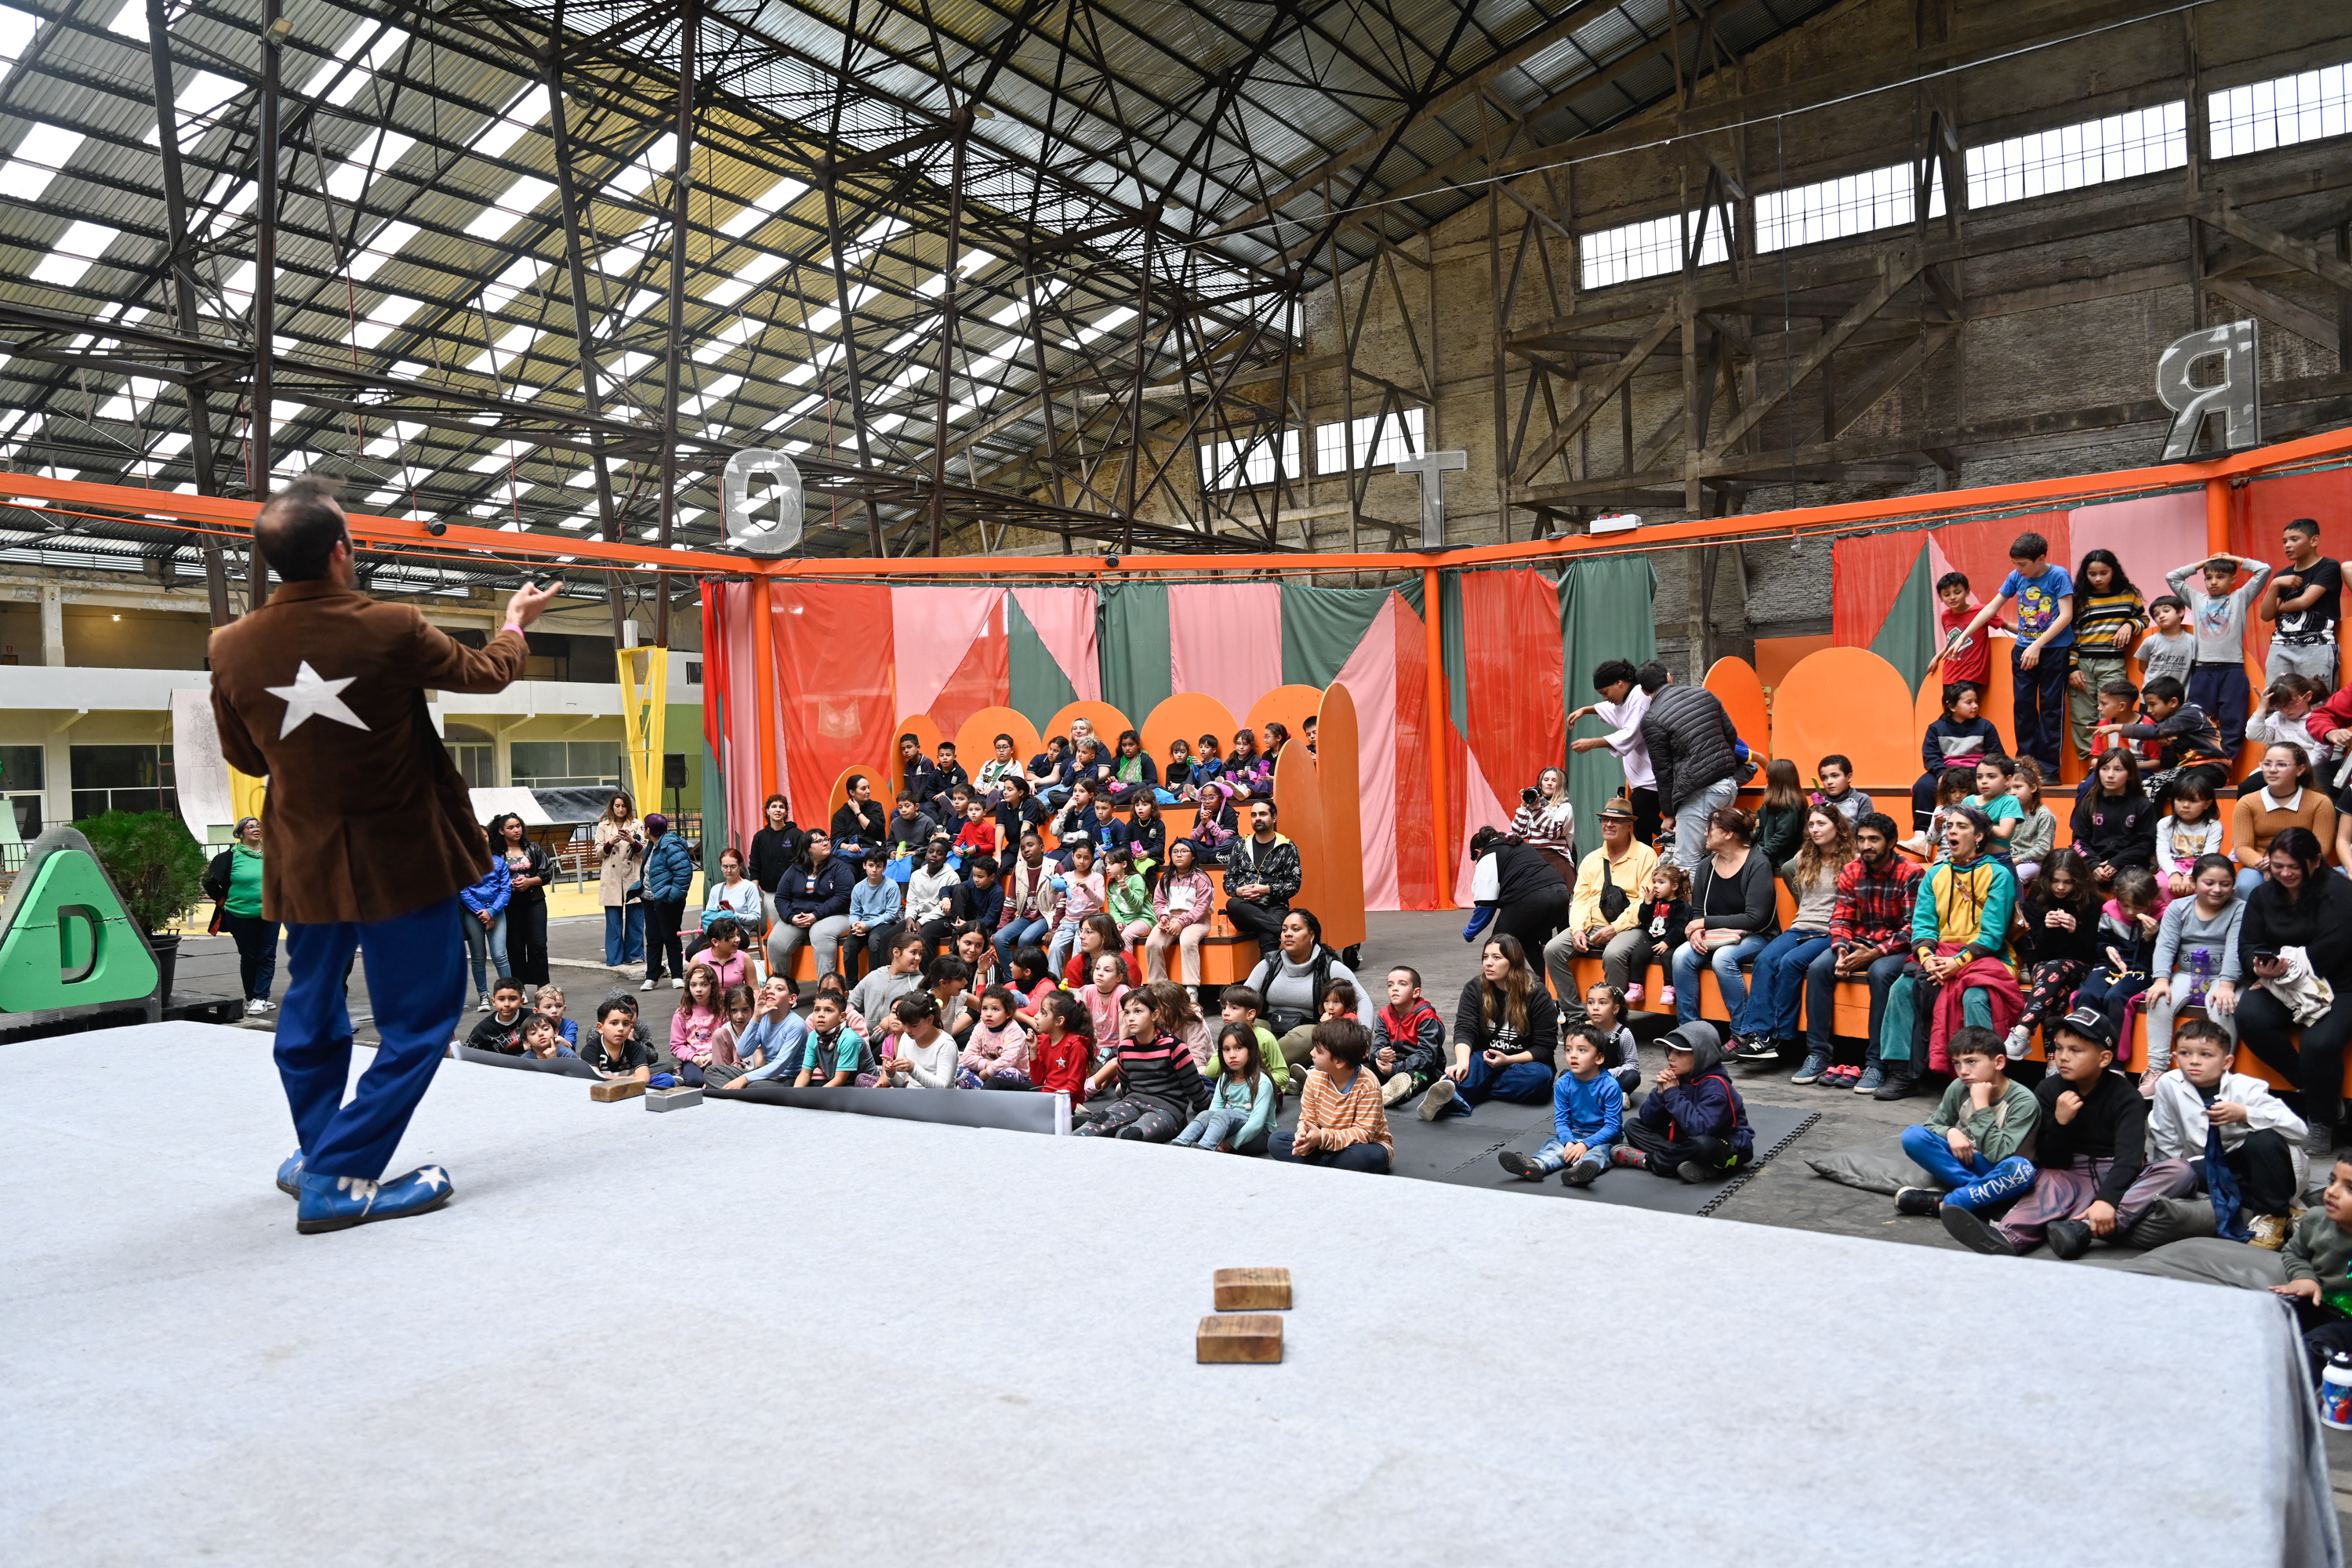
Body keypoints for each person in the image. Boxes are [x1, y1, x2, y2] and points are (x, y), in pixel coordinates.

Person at [1939, 1007, 2195, 1258]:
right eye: (2059, 1048)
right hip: (2071, 1172)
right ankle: (2007, 1237)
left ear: (2104, 1059)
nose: (2063, 1057)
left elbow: (2129, 1159)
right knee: (2048, 1181)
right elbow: (2052, 1159)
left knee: (2180, 1171)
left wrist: (2106, 1201)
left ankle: (2081, 1229)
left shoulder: (2127, 1097)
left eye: (2075, 1050)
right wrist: (2061, 1123)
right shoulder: (2049, 1090)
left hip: (2118, 1172)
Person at [1875, 806, 2018, 1101]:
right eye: (1949, 826)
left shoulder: (1999, 874)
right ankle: (1901, 1073)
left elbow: (1992, 936)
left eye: (1961, 826)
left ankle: (1983, 1080)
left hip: (1985, 958)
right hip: (1938, 956)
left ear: (1979, 835)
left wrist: (1956, 963)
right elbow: (1923, 925)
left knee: (1975, 996)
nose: (1951, 831)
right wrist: (1929, 960)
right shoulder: (1936, 873)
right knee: (1902, 989)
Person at [2234, 826, 2352, 1158]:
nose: (2285, 873)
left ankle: (2322, 1120)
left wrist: (2287, 968)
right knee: (2250, 1015)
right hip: (2282, 983)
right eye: (2277, 865)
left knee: (2320, 1041)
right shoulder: (2262, 895)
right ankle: (2315, 1089)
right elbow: (2249, 945)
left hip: (2339, 983)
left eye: (2294, 867)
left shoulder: (2339, 891)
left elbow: (2335, 947)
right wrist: (2258, 969)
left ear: (2315, 862)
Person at [2149, 1018, 2305, 1249]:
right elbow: (2164, 1135)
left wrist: (2245, 1114)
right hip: (2213, 1166)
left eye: (2206, 1055)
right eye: (2185, 1053)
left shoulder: (2248, 1087)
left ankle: (2272, 1216)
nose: (2194, 1061)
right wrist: (2167, 1181)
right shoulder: (2168, 1084)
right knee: (2185, 1170)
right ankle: (2288, 1213)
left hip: (2262, 1165)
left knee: (2263, 1139)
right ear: (2175, 1058)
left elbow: (2300, 1131)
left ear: (2227, 1062)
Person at [1804, 812, 1922, 1091]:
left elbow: (1913, 928)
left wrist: (1875, 953)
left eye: (1874, 840)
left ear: (1891, 841)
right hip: (1858, 942)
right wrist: (1842, 950)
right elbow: (1841, 918)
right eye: (1861, 839)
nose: (1866, 845)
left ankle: (1877, 1064)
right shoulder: (1852, 869)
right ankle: (1818, 1055)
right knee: (1819, 967)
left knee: (1880, 973)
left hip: (1896, 946)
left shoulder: (1912, 873)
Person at [1730, 804, 1851, 1063]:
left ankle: (1781, 1037)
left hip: (1831, 930)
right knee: (1764, 960)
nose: (1815, 829)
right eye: (1811, 825)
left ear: (1837, 827)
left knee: (1790, 962)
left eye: (1822, 824)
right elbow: (1786, 870)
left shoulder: (1851, 860)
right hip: (1801, 925)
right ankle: (1759, 1034)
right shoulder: (1804, 856)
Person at [1952, 530, 2074, 771]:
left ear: (2040, 559)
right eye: (2015, 564)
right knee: (2023, 707)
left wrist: (2038, 645)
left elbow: (2066, 615)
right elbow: (1990, 608)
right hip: (2023, 650)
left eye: (2023, 565)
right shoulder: (2016, 577)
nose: (2018, 569)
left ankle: (2049, 768)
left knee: (2051, 708)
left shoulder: (2058, 575)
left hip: (2053, 650)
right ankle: (2026, 764)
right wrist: (1963, 636)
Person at [1890, 1025, 2040, 1219]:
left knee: (2022, 1169)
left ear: (1999, 1062)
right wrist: (1951, 1132)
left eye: (1971, 1062)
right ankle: (1979, 1198)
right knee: (1913, 1135)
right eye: (1957, 1063)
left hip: (2001, 1170)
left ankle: (1949, 1204)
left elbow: (1998, 1155)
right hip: (1970, 1161)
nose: (1963, 1071)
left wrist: (1981, 1106)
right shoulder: (1959, 1087)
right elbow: (1932, 1126)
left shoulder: (2023, 1101)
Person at [1420, 934, 1557, 1120]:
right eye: (1485, 957)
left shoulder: (1537, 993)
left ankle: (1464, 1091)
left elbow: (1545, 1047)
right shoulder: (1474, 988)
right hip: (1486, 1058)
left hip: (1526, 1063)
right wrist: (1462, 1062)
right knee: (1468, 1067)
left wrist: (1507, 1060)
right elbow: (1464, 1029)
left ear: (1513, 962)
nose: (1488, 963)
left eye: (1496, 957)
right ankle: (1455, 1091)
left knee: (1540, 1080)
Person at [1542, 796, 1659, 1017]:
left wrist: (1614, 929)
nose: (1608, 825)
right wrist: (1577, 928)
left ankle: (1612, 1017)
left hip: (1631, 927)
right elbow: (1580, 899)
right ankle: (1574, 1014)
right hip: (1593, 925)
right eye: (1604, 820)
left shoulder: (1646, 855)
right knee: (1552, 949)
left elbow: (1645, 901)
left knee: (1614, 953)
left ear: (1629, 826)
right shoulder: (1592, 859)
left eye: (1615, 821)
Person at [1669, 807, 1780, 1029]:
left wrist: (1705, 923)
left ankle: (1742, 1031)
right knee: (1681, 956)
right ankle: (1690, 1031)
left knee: (1723, 958)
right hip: (1715, 935)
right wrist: (1698, 931)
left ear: (1728, 834)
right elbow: (1699, 912)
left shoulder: (1757, 864)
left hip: (1757, 935)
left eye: (1710, 829)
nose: (1705, 834)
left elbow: (1755, 918)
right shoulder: (1705, 866)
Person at [1635, 659, 1743, 870]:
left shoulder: (1652, 719)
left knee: (1686, 865)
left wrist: (1668, 814)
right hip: (1727, 786)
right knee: (1717, 858)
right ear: (1669, 677)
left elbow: (1663, 770)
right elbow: (1731, 735)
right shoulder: (1704, 694)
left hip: (1697, 794)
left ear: (1644, 691)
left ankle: (1694, 905)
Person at [1614, 1021, 1753, 1181]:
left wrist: (1673, 1093)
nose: (1671, 1057)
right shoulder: (1681, 1078)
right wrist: (1660, 1093)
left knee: (1703, 1145)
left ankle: (1650, 1161)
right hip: (1688, 1138)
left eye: (1680, 1053)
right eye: (1670, 1050)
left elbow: (1699, 1130)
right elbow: (1649, 1122)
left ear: (1702, 1055)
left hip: (1726, 1147)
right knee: (1633, 1126)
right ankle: (1690, 1162)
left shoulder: (1717, 1087)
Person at [2168, 550, 2272, 752]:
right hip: (2203, 670)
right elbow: (2172, 577)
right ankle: (2202, 762)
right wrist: (2205, 562)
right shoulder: (2197, 600)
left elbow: (2264, 570)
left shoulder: (2240, 597)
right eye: (2209, 578)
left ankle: (2227, 764)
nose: (2213, 582)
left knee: (2233, 719)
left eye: (2220, 577)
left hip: (2232, 669)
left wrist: (2235, 559)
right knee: (2200, 719)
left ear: (2233, 580)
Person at [2002, 848, 2101, 1062]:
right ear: (2047, 878)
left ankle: (2022, 1030)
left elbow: (2092, 953)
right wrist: (2047, 930)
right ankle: (2054, 1064)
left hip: (2080, 966)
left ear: (2078, 880)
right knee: (2056, 992)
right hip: (2046, 969)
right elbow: (2035, 956)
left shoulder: (2091, 903)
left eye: (2068, 882)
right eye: (2055, 881)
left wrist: (2076, 931)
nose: (2061, 887)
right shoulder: (2036, 902)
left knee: (2054, 971)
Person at [1240, 908, 1366, 1072]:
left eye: (1295, 929)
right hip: (1272, 1025)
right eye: (1284, 930)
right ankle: (1271, 1071)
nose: (1288, 934)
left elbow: (1362, 999)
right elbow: (1242, 998)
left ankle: (1246, 1070)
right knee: (1247, 1028)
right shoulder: (1269, 964)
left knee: (1304, 1037)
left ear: (1312, 935)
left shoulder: (1329, 966)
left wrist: (1364, 1038)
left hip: (1310, 1029)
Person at [1075, 991, 1211, 1141]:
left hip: (1167, 1109)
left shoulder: (1174, 1046)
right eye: (1127, 1013)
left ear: (1154, 1015)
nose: (1131, 1018)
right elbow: (1126, 1086)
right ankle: (1097, 1122)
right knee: (1088, 1129)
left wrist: (1207, 1108)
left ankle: (1119, 1128)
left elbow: (1193, 1085)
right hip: (1132, 1103)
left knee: (1129, 1136)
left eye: (1138, 1011)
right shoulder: (1125, 1047)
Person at [1499, 1025, 1622, 1186]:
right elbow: (1562, 1121)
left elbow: (1613, 1127)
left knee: (1601, 1152)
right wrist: (1569, 1142)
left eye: (1582, 1050)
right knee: (1555, 1147)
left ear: (1599, 1058)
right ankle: (1536, 1165)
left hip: (1602, 1138)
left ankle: (1579, 1170)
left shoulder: (1610, 1086)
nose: (1573, 1056)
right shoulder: (1563, 1083)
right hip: (1574, 1133)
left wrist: (1586, 1145)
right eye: (1569, 1050)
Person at [1269, 1018, 1392, 1173]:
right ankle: (1331, 1169)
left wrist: (1322, 1137)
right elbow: (1307, 1118)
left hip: (1360, 1145)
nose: (1311, 1053)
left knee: (1364, 1157)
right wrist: (1304, 1136)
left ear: (1339, 1062)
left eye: (1319, 1051)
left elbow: (1363, 1133)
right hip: (1323, 1143)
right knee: (1276, 1141)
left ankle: (1318, 1167)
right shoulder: (1314, 1077)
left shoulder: (1368, 1084)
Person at [2274, 1157, 2352, 1381]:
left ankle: (2284, 1388)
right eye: (2332, 1181)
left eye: (2350, 1188)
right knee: (2271, 1317)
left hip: (2347, 1325)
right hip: (2319, 1303)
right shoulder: (2316, 1220)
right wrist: (2304, 1278)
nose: (2332, 1192)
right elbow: (2294, 1252)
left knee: (2315, 1346)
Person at [2067, 548, 2147, 760]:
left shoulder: (2128, 596)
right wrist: (2072, 667)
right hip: (2082, 662)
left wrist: (2129, 625)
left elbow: (2143, 619)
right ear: (2085, 574)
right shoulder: (2078, 599)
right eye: (2092, 574)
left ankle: (2115, 758)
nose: (2098, 578)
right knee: (2083, 715)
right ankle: (2091, 762)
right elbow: (2072, 635)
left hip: (2112, 662)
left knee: (2117, 710)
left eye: (2104, 573)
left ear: (2114, 571)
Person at [1568, 658, 1658, 843]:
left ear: (1620, 683)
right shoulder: (1624, 700)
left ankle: (1675, 838)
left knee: (1635, 812)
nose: (1605, 698)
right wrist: (1585, 710)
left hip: (1655, 775)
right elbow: (1610, 709)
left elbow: (1630, 734)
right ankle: (1648, 865)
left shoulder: (1640, 697)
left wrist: (1593, 743)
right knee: (1640, 829)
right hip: (1641, 777)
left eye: (1606, 692)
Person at [2232, 741, 2336, 898]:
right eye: (2267, 764)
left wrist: (2287, 868)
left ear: (2300, 770)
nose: (2272, 770)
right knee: (2246, 885)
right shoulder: (2247, 802)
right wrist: (2269, 867)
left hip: (2304, 864)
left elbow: (2322, 848)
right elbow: (2242, 847)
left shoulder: (2320, 802)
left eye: (2281, 765)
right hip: (2261, 864)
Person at [204, 815, 278, 1016]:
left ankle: (261, 997)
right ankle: (252, 997)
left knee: (267, 955)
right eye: (250, 826)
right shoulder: (229, 857)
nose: (256, 829)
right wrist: (221, 900)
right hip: (240, 914)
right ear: (240, 832)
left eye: (259, 826)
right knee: (249, 956)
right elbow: (208, 881)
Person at [1465, 824, 1571, 964]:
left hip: (1530, 897)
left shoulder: (1489, 854)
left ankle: (1493, 985)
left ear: (1478, 851)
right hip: (1561, 895)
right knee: (1527, 940)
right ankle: (1547, 982)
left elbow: (1486, 904)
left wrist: (1470, 931)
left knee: (1497, 945)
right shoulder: (1519, 845)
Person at [767, 829, 857, 985]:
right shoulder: (795, 869)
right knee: (776, 942)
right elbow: (781, 898)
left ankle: (825, 989)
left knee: (820, 932)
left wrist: (816, 915)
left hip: (836, 915)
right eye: (819, 841)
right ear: (808, 848)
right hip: (800, 916)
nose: (825, 843)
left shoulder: (840, 868)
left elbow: (843, 897)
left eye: (826, 839)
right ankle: (785, 988)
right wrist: (791, 918)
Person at [1911, 681, 2002, 834]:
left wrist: (1984, 773)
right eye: (1969, 702)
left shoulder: (1986, 726)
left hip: (1976, 771)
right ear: (1952, 707)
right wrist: (1941, 774)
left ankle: (1981, 828)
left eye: (1976, 701)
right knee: (1923, 786)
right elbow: (1931, 756)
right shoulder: (1936, 728)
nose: (1975, 706)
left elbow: (1996, 755)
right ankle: (1921, 834)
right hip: (1946, 771)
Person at [2261, 517, 2341, 688]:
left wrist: (2279, 609)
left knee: (2316, 705)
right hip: (2280, 646)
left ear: (2314, 541)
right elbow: (2266, 615)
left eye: (2294, 539)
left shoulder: (2328, 566)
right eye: (2284, 541)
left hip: (2316, 645)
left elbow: (2304, 601)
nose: (2287, 545)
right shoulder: (2282, 575)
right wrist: (2275, 584)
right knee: (2276, 702)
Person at [1173, 1025, 1278, 1152]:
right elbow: (1213, 1113)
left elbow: (1256, 1124)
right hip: (1230, 1128)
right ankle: (1177, 1145)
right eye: (1226, 1050)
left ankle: (1204, 1150)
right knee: (1205, 1114)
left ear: (1251, 1049)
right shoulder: (1225, 1078)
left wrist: (1228, 1144)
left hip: (1259, 1136)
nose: (1232, 1055)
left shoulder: (1262, 1082)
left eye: (1239, 1048)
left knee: (1223, 1114)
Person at [2068, 746, 2158, 893]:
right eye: (2105, 769)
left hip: (2130, 865)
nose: (2110, 775)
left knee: (2127, 885)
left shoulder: (2143, 806)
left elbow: (2146, 844)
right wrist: (2094, 865)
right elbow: (2079, 842)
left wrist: (2116, 863)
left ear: (2130, 775)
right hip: (2094, 864)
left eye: (2118, 770)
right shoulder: (2088, 804)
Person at [1221, 797, 1301, 953]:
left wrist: (1267, 890)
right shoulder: (1241, 845)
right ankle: (1282, 931)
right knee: (1233, 904)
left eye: (1263, 814)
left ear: (1274, 817)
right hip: (1245, 909)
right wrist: (1238, 891)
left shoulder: (1287, 847)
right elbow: (1228, 880)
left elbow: (1294, 884)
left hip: (1275, 906)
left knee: (1268, 937)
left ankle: (1268, 977)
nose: (1257, 818)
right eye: (1254, 815)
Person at [491, 814, 552, 993]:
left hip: (535, 901)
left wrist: (529, 882)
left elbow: (547, 872)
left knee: (538, 944)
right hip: (508, 905)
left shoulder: (532, 848)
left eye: (518, 826)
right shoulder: (495, 853)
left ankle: (542, 985)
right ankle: (520, 987)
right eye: (511, 827)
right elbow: (489, 878)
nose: (516, 830)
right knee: (515, 946)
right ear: (501, 831)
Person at [1369, 964, 1446, 1108]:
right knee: (1362, 1069)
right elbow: (1377, 1045)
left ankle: (1387, 1095)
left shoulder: (1426, 1016)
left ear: (1416, 992)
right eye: (1390, 985)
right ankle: (1366, 1091)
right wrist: (1379, 1054)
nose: (1395, 988)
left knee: (1413, 1078)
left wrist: (1396, 1069)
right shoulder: (1384, 1015)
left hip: (1424, 1067)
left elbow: (1427, 1055)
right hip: (1393, 1065)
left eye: (1402, 984)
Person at [1144, 837, 1214, 993]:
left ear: (1193, 855)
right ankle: (1158, 987)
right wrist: (1163, 917)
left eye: (1184, 851)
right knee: (1152, 943)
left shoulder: (1201, 878)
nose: (1179, 855)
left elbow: (1201, 907)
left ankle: (1191, 988)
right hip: (1171, 918)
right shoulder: (1166, 878)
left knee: (1188, 940)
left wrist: (1182, 922)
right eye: (1175, 852)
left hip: (1198, 919)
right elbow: (1159, 901)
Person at [1620, 862, 1690, 1007]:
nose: (1655, 886)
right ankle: (1636, 988)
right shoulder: (1655, 902)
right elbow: (1644, 919)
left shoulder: (1681, 906)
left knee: (1668, 957)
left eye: (1661, 882)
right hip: (1653, 939)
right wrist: (1647, 902)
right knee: (1637, 954)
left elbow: (1680, 928)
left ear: (1675, 886)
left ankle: (1669, 990)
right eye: (1654, 882)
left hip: (1672, 941)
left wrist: (1667, 942)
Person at [459, 822, 511, 1012]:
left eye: (484, 837)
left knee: (500, 955)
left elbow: (506, 889)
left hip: (497, 912)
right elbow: (463, 891)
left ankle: (510, 992)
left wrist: (492, 911)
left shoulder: (499, 862)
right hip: (473, 914)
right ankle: (484, 996)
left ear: (489, 838)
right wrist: (482, 912)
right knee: (478, 957)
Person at [638, 812, 693, 990]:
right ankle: (651, 977)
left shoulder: (671, 847)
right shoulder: (652, 845)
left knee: (670, 936)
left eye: (644, 827)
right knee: (653, 937)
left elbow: (683, 875)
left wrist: (670, 897)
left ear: (649, 830)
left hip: (667, 901)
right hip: (649, 899)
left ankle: (677, 975)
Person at [2153, 772, 2226, 900]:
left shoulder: (2214, 826)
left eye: (2193, 801)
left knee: (2202, 885)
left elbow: (2208, 856)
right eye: (2180, 799)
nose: (2185, 805)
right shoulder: (2165, 824)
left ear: (2207, 804)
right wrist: (2173, 874)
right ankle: (2169, 917)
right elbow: (2162, 854)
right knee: (2161, 884)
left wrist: (2190, 875)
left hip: (2202, 866)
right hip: (2172, 865)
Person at [594, 792, 647, 969]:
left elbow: (645, 851)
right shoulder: (603, 826)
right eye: (617, 806)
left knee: (636, 920)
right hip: (612, 879)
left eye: (624, 806)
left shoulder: (638, 824)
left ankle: (635, 955)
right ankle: (615, 958)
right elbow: (598, 852)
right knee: (614, 923)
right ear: (612, 807)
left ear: (628, 808)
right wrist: (610, 842)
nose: (620, 809)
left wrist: (632, 840)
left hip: (633, 877)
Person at [845, 928, 927, 1040]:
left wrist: (891, 1021)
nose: (918, 958)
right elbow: (851, 1004)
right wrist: (857, 1026)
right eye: (913, 952)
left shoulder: (919, 982)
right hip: (864, 1039)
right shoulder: (874, 975)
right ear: (896, 952)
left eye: (920, 953)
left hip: (895, 1042)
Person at [1045, 838, 1106, 978]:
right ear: (1072, 856)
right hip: (1068, 923)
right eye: (1078, 857)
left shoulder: (1096, 877)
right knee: (1055, 947)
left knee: (1080, 947)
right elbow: (1053, 901)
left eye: (1086, 858)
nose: (1082, 861)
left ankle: (1074, 983)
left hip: (1088, 923)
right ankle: (1054, 983)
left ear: (1092, 859)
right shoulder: (1067, 876)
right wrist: (1054, 891)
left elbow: (1100, 903)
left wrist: (1086, 888)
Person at [694, 846, 764, 970]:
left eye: (733, 867)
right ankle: (710, 978)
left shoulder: (749, 887)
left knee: (719, 947)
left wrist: (734, 914)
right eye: (725, 867)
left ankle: (721, 975)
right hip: (716, 932)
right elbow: (709, 912)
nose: (729, 871)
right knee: (692, 952)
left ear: (740, 865)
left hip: (738, 933)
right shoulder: (717, 889)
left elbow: (755, 918)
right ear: (721, 867)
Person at [746, 793, 804, 933]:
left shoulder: (797, 834)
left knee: (795, 931)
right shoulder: (759, 837)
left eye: (781, 807)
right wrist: (754, 893)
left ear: (786, 812)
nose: (778, 810)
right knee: (779, 932)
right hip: (771, 894)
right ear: (767, 811)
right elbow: (755, 866)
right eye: (774, 806)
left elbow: (804, 863)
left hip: (795, 894)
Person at [845, 848, 906, 980]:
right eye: (871, 865)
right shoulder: (858, 887)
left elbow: (891, 915)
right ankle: (851, 986)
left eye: (878, 866)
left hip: (885, 923)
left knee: (875, 941)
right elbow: (855, 912)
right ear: (864, 865)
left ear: (884, 868)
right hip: (863, 923)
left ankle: (875, 981)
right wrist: (854, 924)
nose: (874, 870)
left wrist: (867, 925)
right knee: (849, 945)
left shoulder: (891, 886)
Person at [873, 993, 957, 1089]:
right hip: (911, 1098)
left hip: (937, 1102)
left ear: (930, 1019)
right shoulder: (906, 1037)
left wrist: (913, 1069)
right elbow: (900, 1083)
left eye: (913, 1025)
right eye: (904, 1023)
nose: (907, 1030)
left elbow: (943, 1086)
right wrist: (891, 1074)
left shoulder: (945, 1044)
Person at [956, 986, 1033, 1089]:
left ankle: (978, 1092)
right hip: (983, 1073)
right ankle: (984, 1092)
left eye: (995, 1009)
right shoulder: (980, 1027)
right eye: (985, 1008)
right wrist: (986, 1065)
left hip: (1009, 1077)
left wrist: (986, 1073)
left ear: (1008, 1013)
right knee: (957, 1069)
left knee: (1010, 1072)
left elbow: (1007, 1062)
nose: (988, 1014)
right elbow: (967, 1057)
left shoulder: (1014, 1031)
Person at [1512, 766, 1577, 882]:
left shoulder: (1564, 807)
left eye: (1554, 780)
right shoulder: (1533, 807)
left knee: (1557, 899)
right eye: (1546, 780)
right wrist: (1524, 806)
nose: (1549, 783)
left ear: (1561, 785)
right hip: (1534, 860)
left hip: (1556, 860)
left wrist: (1536, 809)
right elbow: (1517, 834)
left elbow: (1554, 832)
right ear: (1540, 783)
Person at [792, 991, 868, 1089]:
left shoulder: (849, 1039)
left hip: (859, 1087)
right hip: (835, 1083)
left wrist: (814, 1098)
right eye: (817, 1010)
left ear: (842, 1017)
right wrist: (795, 1094)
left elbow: (840, 1080)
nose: (821, 1015)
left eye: (828, 1010)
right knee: (791, 1084)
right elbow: (806, 1073)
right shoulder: (813, 1036)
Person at [1028, 991, 1093, 1102]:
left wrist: (1048, 1099)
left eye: (1043, 1012)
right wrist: (1033, 1049)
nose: (1036, 1016)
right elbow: (1037, 1082)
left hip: (1064, 1103)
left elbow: (1074, 1086)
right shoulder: (1043, 1042)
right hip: (1047, 1098)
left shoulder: (1075, 1044)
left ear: (1059, 1021)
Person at [1933, 571, 1991, 688]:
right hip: (1949, 674)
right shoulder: (1945, 616)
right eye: (1947, 595)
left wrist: (2031, 635)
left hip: (1972, 674)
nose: (1953, 597)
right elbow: (1952, 643)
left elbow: (2006, 625)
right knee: (1950, 707)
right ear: (1941, 597)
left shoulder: (1981, 611)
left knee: (1966, 704)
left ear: (1967, 592)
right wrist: (1936, 658)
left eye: (1957, 592)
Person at [669, 964, 724, 1084]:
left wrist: (714, 1055)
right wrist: (693, 1057)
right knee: (695, 1081)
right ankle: (681, 1074)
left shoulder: (722, 1011)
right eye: (693, 985)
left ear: (713, 987)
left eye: (704, 985)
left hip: (717, 1056)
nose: (698, 989)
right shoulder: (682, 1013)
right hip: (694, 1058)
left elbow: (729, 1039)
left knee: (719, 1078)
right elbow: (676, 1045)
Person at [580, 996, 658, 1083]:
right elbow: (595, 1078)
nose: (621, 1028)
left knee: (666, 1078)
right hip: (604, 1092)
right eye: (614, 1023)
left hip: (631, 1088)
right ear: (600, 1028)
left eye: (625, 1024)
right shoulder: (591, 1049)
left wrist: (608, 1078)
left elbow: (644, 1078)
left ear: (631, 1027)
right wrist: (631, 1078)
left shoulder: (635, 1047)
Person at [2006, 758, 2056, 887]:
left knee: (2014, 877)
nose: (2012, 793)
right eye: (2007, 789)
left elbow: (2043, 849)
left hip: (2034, 863)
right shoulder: (2006, 813)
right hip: (2008, 859)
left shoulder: (2044, 815)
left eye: (2018, 787)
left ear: (2033, 788)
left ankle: (2017, 907)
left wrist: (2018, 860)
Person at [1751, 758, 1806, 870]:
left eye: (1769, 778)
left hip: (1778, 858)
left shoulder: (1791, 804)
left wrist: (1761, 855)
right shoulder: (1771, 801)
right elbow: (1757, 827)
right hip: (1763, 852)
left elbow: (1783, 836)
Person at [2140, 593, 2196, 690]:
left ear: (2181, 612)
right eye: (2156, 614)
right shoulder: (2150, 641)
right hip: (2151, 695)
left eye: (2166, 611)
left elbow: (2195, 669)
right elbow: (2142, 667)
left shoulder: (2193, 641)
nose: (2161, 616)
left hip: (2180, 697)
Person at [463, 978, 530, 1054]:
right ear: (494, 1002)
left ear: (521, 1001)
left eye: (513, 999)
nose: (507, 1004)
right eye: (501, 999)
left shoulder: (533, 1018)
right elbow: (465, 1054)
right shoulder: (483, 1029)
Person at [1813, 754, 1873, 824]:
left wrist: (1837, 817)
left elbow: (1865, 831)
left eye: (1835, 776)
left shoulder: (1861, 800)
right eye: (1824, 778)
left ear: (1849, 777)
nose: (1829, 782)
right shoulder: (1820, 804)